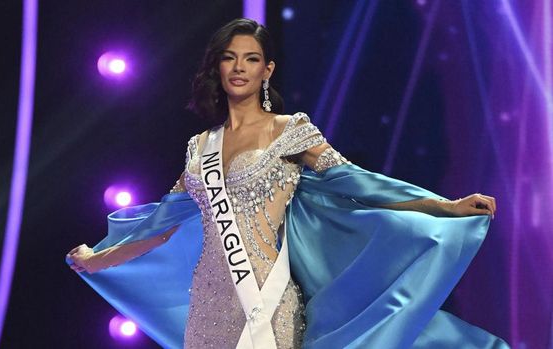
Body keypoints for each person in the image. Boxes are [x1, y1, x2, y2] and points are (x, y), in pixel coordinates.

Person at [67, 18, 509, 349]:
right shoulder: (199, 147)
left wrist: (444, 207)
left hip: (267, 300)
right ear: (217, 67)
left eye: (251, 58)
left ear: (267, 69)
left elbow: (361, 184)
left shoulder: (290, 131)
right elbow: (161, 227)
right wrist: (98, 260)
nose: (239, 67)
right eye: (229, 57)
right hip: (207, 305)